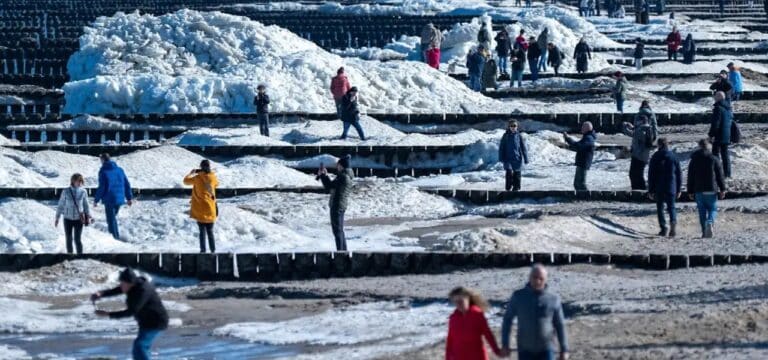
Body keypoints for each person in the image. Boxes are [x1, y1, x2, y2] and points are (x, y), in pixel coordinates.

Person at [91, 268, 169, 360]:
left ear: (130, 282)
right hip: (145, 321)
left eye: (122, 283)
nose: (121, 285)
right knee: (140, 347)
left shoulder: (143, 290)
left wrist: (108, 314)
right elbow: (119, 290)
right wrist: (102, 294)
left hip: (157, 322)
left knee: (140, 345)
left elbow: (131, 311)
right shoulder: (132, 285)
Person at [501, 264, 569, 360]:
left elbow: (560, 325)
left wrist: (564, 349)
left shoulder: (553, 299)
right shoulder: (518, 297)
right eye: (535, 277)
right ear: (529, 277)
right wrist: (505, 344)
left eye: (541, 278)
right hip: (525, 350)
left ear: (545, 280)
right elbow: (507, 320)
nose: (537, 281)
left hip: (547, 350)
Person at [446, 287, 502, 360]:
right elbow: (450, 340)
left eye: (461, 301)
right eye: (456, 302)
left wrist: (496, 350)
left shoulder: (477, 314)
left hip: (477, 356)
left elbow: (488, 334)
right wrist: (448, 357)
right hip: (459, 357)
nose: (459, 304)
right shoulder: (453, 318)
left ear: (468, 299)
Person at [687, 139, 726, 238]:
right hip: (711, 189)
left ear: (699, 146)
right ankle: (710, 222)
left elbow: (690, 176)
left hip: (698, 189)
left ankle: (704, 231)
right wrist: (722, 189)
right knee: (712, 209)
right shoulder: (714, 158)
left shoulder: (694, 159)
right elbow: (720, 176)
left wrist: (690, 190)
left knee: (702, 211)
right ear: (709, 147)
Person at [317, 155, 354, 251]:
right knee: (340, 231)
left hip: (337, 205)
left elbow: (329, 187)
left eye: (338, 165)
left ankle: (340, 254)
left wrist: (323, 175)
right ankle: (343, 252)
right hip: (341, 205)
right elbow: (331, 187)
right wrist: (324, 176)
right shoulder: (347, 176)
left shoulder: (342, 176)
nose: (337, 167)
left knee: (337, 232)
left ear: (341, 166)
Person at [648, 137, 682, 237]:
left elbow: (651, 174)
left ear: (659, 145)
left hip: (659, 186)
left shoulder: (655, 156)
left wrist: (651, 189)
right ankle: (673, 224)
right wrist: (679, 188)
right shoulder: (673, 156)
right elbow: (679, 174)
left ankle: (663, 228)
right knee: (671, 207)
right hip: (671, 185)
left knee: (660, 208)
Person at [94, 153, 132, 240]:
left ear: (103, 160)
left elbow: (102, 187)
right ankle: (115, 236)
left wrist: (96, 199)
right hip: (119, 198)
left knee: (111, 220)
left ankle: (115, 239)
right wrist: (129, 198)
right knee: (112, 218)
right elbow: (126, 184)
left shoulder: (103, 171)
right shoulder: (120, 170)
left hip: (109, 198)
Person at [183, 159, 218, 253]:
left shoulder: (197, 178)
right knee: (210, 232)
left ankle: (203, 251)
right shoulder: (213, 177)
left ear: (201, 167)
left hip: (200, 210)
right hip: (211, 208)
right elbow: (217, 184)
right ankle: (213, 251)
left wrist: (191, 173)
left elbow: (185, 181)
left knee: (202, 232)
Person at [55, 173, 91, 254]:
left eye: (81, 181)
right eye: (78, 181)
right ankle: (70, 255)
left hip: (79, 219)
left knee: (77, 240)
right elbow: (60, 204)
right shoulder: (66, 191)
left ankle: (80, 256)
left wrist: (88, 216)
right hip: (67, 219)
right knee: (69, 239)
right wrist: (57, 218)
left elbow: (86, 205)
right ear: (73, 181)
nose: (80, 183)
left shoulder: (83, 191)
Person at [623, 116, 654, 190]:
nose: (635, 122)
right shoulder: (647, 129)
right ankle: (640, 189)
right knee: (638, 174)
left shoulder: (641, 130)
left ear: (641, 122)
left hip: (638, 156)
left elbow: (632, 133)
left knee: (634, 175)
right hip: (643, 156)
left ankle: (639, 190)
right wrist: (633, 127)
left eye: (637, 121)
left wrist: (625, 126)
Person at [564, 122, 597, 191]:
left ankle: (587, 197)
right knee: (577, 184)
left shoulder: (589, 138)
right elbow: (577, 146)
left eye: (583, 127)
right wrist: (568, 140)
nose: (581, 128)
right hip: (581, 162)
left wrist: (568, 139)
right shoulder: (587, 137)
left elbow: (578, 146)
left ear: (587, 129)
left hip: (583, 163)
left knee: (581, 184)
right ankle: (581, 197)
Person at [499, 121, 529, 191]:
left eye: (514, 126)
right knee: (508, 172)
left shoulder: (519, 136)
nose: (513, 127)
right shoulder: (505, 136)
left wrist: (526, 158)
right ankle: (508, 187)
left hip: (517, 157)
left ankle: (516, 187)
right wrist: (501, 157)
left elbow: (523, 147)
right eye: (511, 126)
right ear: (509, 127)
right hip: (507, 157)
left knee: (517, 173)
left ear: (517, 127)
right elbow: (501, 147)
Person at [709, 91, 733, 178]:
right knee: (725, 155)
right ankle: (727, 174)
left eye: (715, 96)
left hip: (718, 135)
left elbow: (716, 124)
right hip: (726, 135)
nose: (714, 97)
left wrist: (711, 135)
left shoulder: (718, 108)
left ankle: (717, 173)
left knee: (715, 155)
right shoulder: (728, 108)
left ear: (719, 97)